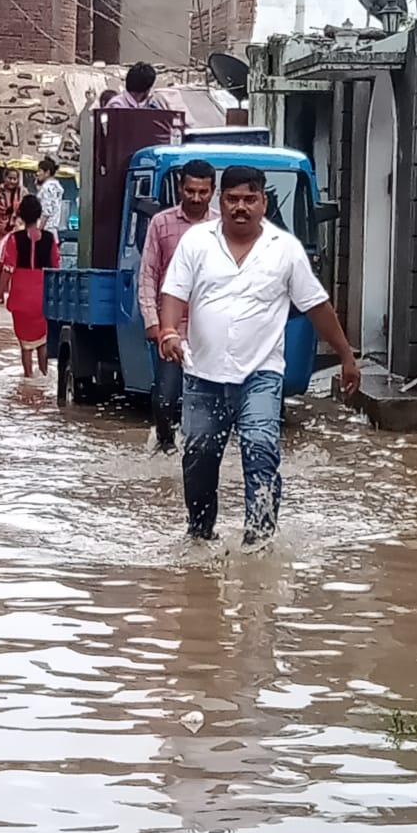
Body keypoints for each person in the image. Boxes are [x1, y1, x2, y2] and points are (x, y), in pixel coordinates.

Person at [159, 165, 360, 550]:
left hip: (261, 374)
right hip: (203, 374)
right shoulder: (197, 242)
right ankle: (200, 533)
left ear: (263, 202)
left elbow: (316, 305)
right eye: (233, 199)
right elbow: (174, 293)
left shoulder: (284, 250)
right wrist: (169, 331)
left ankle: (260, 536)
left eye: (250, 199)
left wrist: (345, 355)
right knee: (198, 453)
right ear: (222, 202)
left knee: (260, 444)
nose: (241, 207)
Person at [139, 159, 218, 454]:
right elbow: (148, 274)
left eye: (203, 192)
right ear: (180, 188)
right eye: (190, 190)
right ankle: (165, 443)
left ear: (213, 192)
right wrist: (152, 321)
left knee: (209, 396)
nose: (196, 198)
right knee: (166, 396)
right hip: (170, 327)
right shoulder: (161, 223)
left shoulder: (221, 227)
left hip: (210, 326)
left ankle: (202, 449)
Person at [0, 194, 61, 379]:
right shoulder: (50, 238)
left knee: (26, 345)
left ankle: (28, 380)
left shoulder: (14, 239)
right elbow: (56, 269)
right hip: (42, 296)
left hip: (21, 296)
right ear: (38, 214)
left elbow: (7, 270)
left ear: (20, 215)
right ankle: (43, 378)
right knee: (42, 342)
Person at [36, 158, 64, 236]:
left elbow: (46, 212)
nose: (37, 173)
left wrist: (39, 230)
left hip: (45, 228)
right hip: (54, 228)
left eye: (39, 171)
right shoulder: (57, 186)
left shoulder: (47, 187)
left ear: (47, 172)